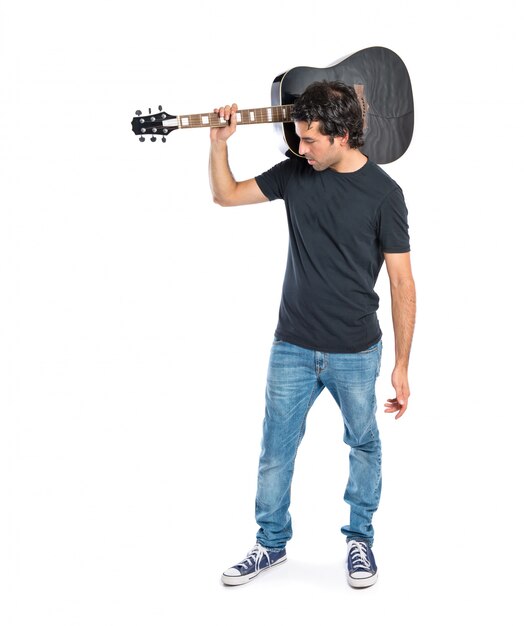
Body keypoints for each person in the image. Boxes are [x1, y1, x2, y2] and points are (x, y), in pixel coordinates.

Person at [208, 81, 416, 589]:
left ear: (343, 135)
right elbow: (226, 195)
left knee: (363, 443)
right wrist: (219, 145)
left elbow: (402, 281)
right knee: (275, 448)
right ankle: (270, 544)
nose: (300, 149)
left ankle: (359, 539)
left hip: (356, 350)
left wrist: (403, 364)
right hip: (292, 345)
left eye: (310, 140)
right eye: (298, 139)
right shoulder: (296, 174)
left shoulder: (385, 194)